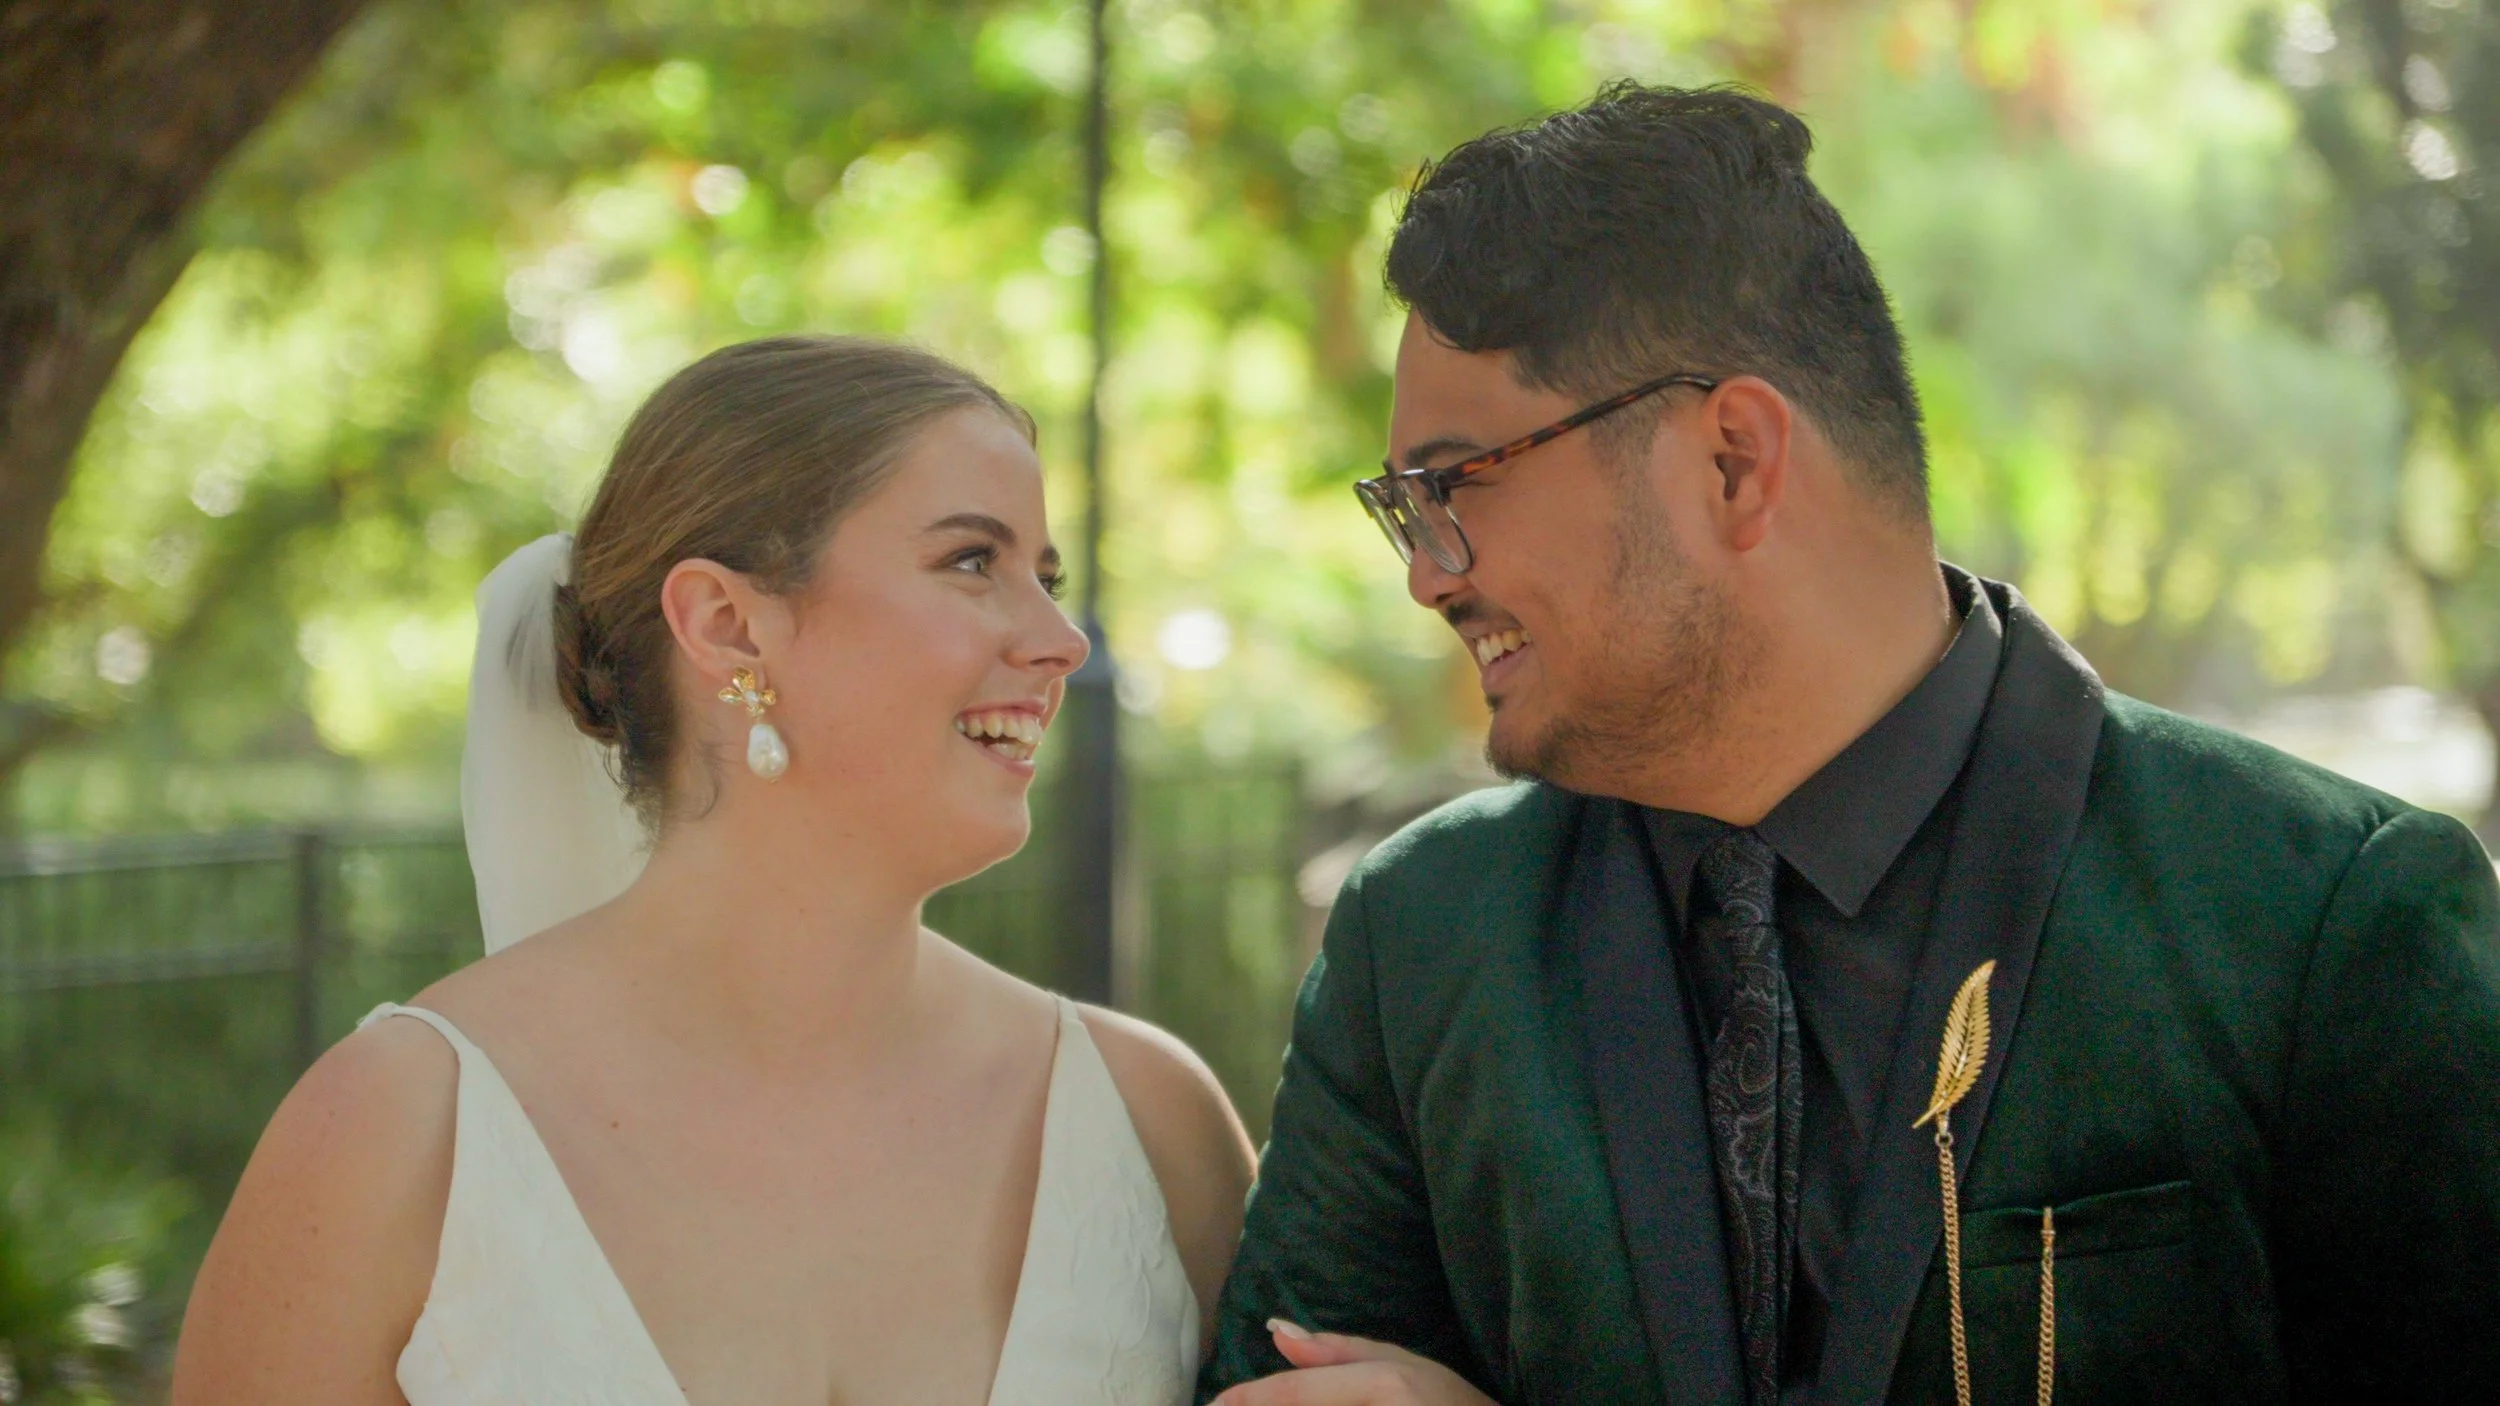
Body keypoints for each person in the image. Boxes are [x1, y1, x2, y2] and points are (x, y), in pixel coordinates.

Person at [1200, 83, 2500, 1405]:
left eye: (1450, 485)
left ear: (1734, 465)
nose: (1427, 575)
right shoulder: (1421, 939)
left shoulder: (2316, 918)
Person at [172, 336, 1256, 1404]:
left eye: (1046, 574)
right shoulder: (395, 1135)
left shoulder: (1150, 1124)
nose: (1061, 638)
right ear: (729, 626)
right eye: (973, 560)